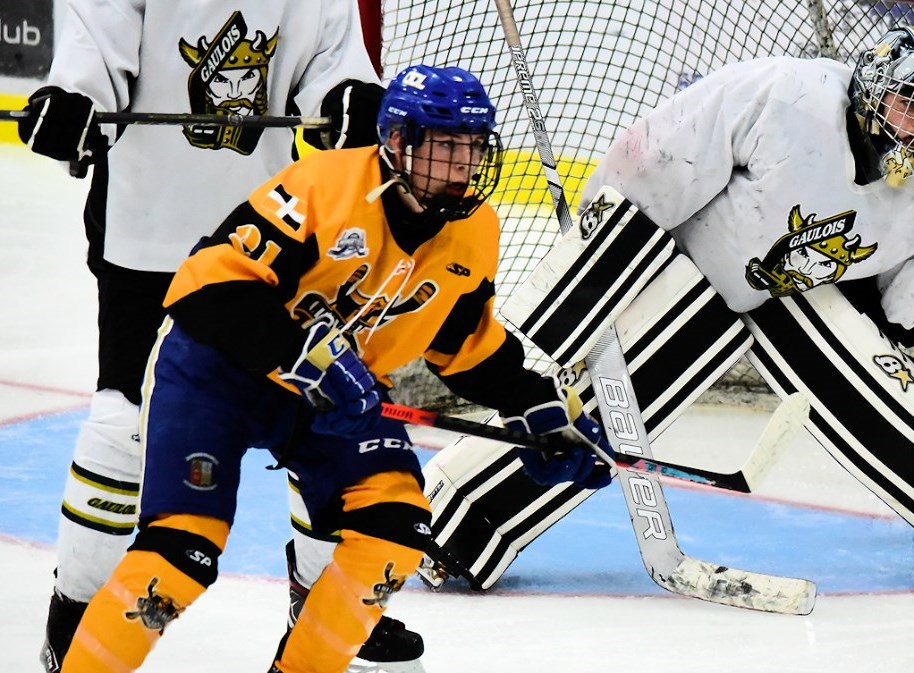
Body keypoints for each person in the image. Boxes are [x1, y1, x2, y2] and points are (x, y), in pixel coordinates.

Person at [415, 26, 914, 593]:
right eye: (903, 104)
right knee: (575, 415)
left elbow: (909, 304)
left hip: (791, 297)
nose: (913, 126)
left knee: (881, 390)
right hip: (685, 272)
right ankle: (451, 524)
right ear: (867, 91)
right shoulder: (784, 95)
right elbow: (651, 164)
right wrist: (597, 282)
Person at [56, 63, 612, 673]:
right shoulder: (323, 187)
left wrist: (537, 407)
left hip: (332, 395)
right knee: (182, 551)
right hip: (216, 372)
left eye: (475, 146)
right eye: (448, 145)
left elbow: (462, 342)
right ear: (398, 142)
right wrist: (300, 357)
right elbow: (207, 289)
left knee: (394, 530)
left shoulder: (474, 229)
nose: (465, 164)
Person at [13, 2, 411, 671]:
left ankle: (327, 602)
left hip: (270, 240)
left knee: (326, 414)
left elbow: (330, 61)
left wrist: (345, 98)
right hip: (147, 237)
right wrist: (72, 102)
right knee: (123, 426)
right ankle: (75, 618)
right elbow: (95, 52)